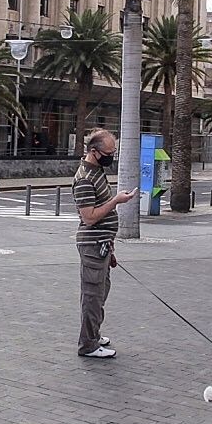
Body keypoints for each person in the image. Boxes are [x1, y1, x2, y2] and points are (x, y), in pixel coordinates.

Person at [72, 127, 136, 360]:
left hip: (101, 244)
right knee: (92, 295)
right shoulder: (85, 179)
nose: (112, 156)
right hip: (92, 245)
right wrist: (116, 201)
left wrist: (109, 245)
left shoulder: (96, 170)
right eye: (109, 152)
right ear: (94, 151)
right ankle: (88, 344)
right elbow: (89, 217)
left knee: (100, 291)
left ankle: (93, 335)